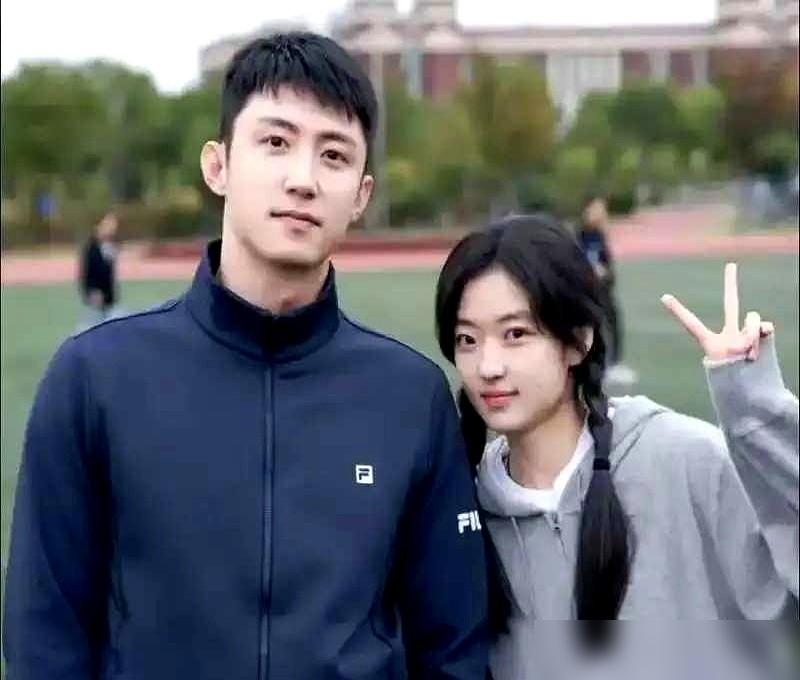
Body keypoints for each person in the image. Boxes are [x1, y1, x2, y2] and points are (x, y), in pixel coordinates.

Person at [4, 32, 489, 679]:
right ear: (218, 165)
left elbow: (453, 648)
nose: (303, 179)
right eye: (276, 142)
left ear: (361, 194)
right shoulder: (94, 379)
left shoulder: (411, 397)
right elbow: (45, 639)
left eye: (334, 155)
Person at [434, 214, 798, 679]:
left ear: (578, 340)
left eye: (516, 334)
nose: (488, 366)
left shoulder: (680, 459)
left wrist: (755, 409)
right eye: (467, 339)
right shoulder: (462, 512)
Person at [576, 195, 635, 386]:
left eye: (602, 210)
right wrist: (590, 270)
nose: (601, 213)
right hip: (587, 291)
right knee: (591, 327)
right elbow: (576, 261)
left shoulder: (599, 235)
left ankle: (614, 364)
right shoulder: (580, 235)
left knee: (612, 322)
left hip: (603, 290)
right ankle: (593, 366)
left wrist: (606, 274)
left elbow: (606, 263)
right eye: (597, 209)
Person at [78, 210, 120, 328]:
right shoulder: (91, 248)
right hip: (95, 297)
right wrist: (92, 292)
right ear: (98, 227)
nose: (111, 229)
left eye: (113, 225)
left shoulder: (111, 246)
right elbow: (86, 273)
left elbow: (109, 273)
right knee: (91, 326)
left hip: (108, 297)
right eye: (108, 225)